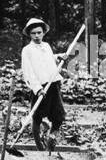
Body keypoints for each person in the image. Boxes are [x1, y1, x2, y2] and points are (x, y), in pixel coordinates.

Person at [19, 17, 69, 150]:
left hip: (53, 83)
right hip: (40, 87)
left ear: (43, 33)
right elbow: (28, 71)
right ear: (29, 34)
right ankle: (39, 148)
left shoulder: (46, 46)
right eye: (33, 33)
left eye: (39, 32)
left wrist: (59, 57)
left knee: (58, 116)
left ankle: (50, 139)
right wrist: (37, 88)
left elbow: (49, 59)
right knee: (37, 116)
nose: (36, 36)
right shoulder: (27, 50)